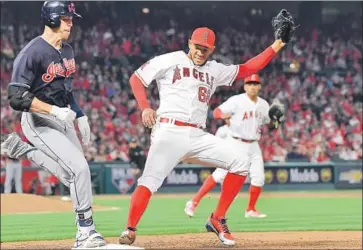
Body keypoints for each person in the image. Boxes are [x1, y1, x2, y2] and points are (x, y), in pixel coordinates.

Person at [118, 22, 290, 247]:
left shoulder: (215, 70)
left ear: (212, 50)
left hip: (198, 135)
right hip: (169, 130)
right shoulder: (170, 59)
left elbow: (248, 68)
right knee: (149, 180)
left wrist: (278, 44)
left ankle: (217, 218)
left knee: (241, 163)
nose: (200, 51)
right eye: (197, 46)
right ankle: (130, 229)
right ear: (189, 43)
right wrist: (145, 107)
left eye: (205, 48)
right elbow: (136, 79)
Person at [0, 1, 106, 248]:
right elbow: (16, 97)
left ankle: (26, 152)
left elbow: (66, 89)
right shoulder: (31, 52)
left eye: (71, 18)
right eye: (66, 18)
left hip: (63, 116)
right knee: (80, 168)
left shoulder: (67, 50)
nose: (71, 23)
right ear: (51, 20)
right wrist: (54, 111)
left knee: (74, 177)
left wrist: (81, 115)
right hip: (39, 120)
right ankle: (84, 232)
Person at [184, 74, 285, 219]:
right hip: (236, 143)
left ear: (259, 86)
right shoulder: (236, 101)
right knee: (220, 174)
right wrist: (223, 116)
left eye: (255, 84)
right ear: (245, 86)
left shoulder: (263, 104)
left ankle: (250, 209)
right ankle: (193, 202)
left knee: (259, 178)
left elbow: (269, 124)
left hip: (253, 145)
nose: (252, 86)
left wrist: (276, 122)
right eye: (249, 84)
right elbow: (216, 111)